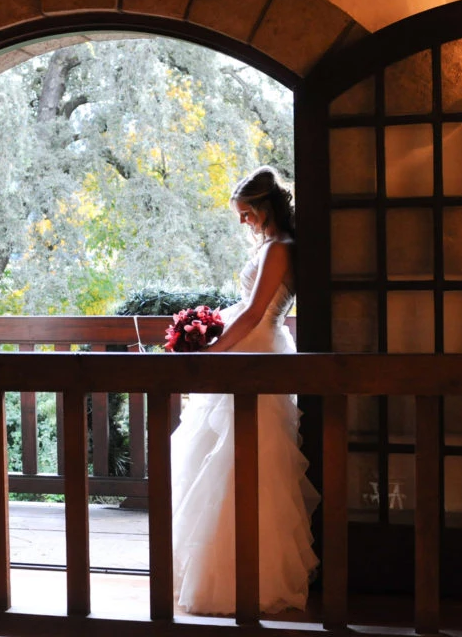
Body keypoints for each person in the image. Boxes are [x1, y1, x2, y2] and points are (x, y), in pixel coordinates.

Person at [170, 166, 320, 615]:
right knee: (217, 458)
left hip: (257, 353)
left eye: (245, 213)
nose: (242, 222)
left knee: (249, 463)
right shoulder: (274, 247)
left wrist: (211, 352)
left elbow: (256, 312)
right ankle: (212, 570)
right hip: (252, 347)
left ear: (263, 207)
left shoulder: (280, 249)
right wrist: (209, 333)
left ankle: (244, 579)